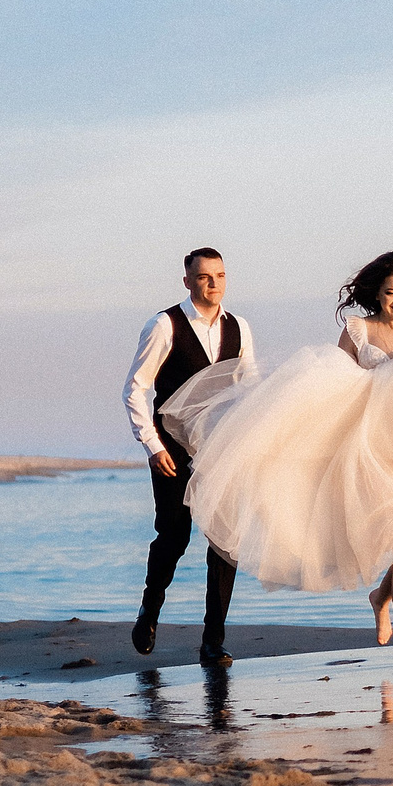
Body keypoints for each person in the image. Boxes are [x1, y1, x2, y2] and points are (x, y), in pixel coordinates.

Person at [156, 248, 393, 675]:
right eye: (391, 292)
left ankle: (380, 597)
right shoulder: (358, 331)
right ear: (377, 292)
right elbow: (337, 392)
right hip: (373, 454)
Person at [122, 247, 253, 665]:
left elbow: (247, 388)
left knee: (225, 541)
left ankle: (213, 640)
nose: (212, 284)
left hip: (221, 446)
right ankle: (150, 609)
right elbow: (136, 388)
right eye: (203, 277)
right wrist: (152, 444)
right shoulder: (165, 324)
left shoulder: (239, 327)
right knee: (174, 536)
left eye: (219, 276)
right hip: (173, 448)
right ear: (187, 281)